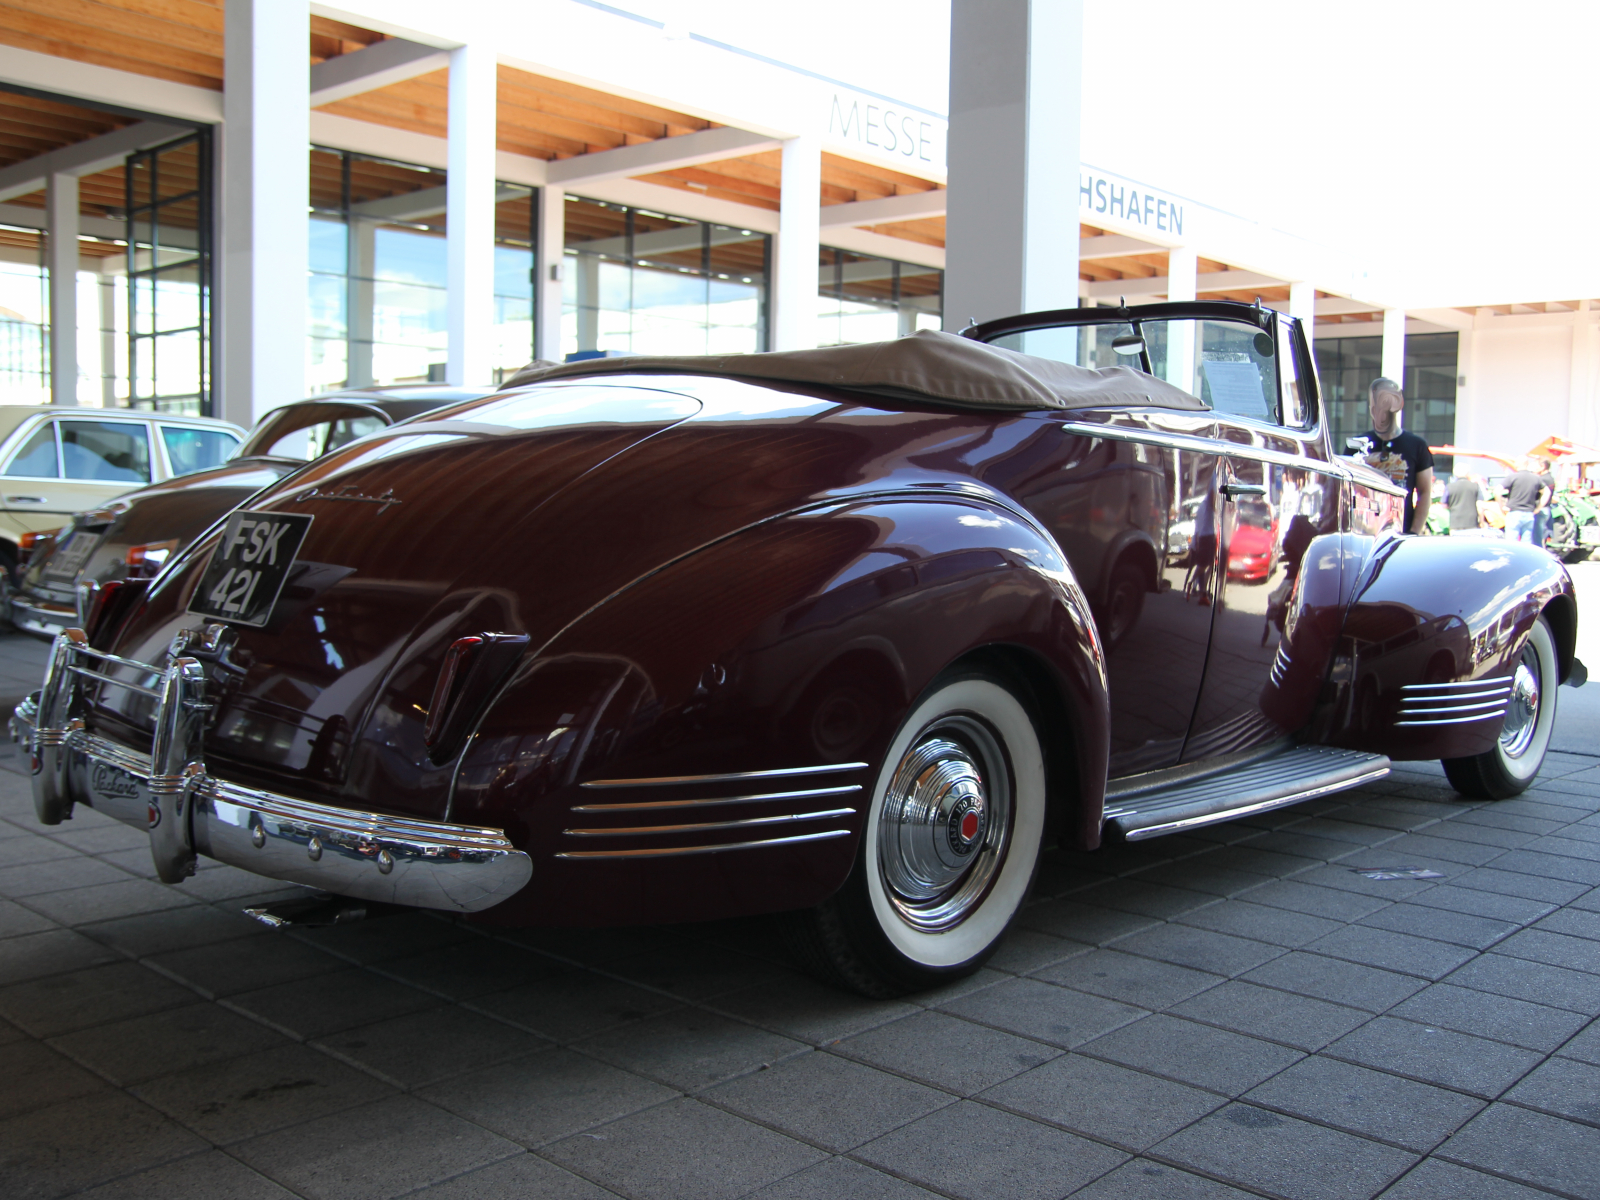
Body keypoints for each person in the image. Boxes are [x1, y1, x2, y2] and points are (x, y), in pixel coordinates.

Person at [1359, 377, 1434, 534]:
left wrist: (1413, 532)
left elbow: (1425, 492)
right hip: (1363, 535)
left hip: (1401, 533)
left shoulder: (1417, 445)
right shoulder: (1358, 445)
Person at [1502, 457, 1549, 544]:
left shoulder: (1513, 477)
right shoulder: (1535, 478)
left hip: (1514, 512)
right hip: (1529, 514)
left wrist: (1501, 506)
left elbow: (1497, 490)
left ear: (1517, 464)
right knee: (1527, 543)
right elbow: (1547, 492)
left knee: (1511, 542)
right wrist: (1538, 508)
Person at [1534, 458, 1557, 547]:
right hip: (1547, 508)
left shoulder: (1542, 480)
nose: (1535, 468)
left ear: (1543, 467)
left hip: (1540, 509)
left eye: (1536, 466)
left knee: (1537, 537)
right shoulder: (1550, 478)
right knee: (1543, 534)